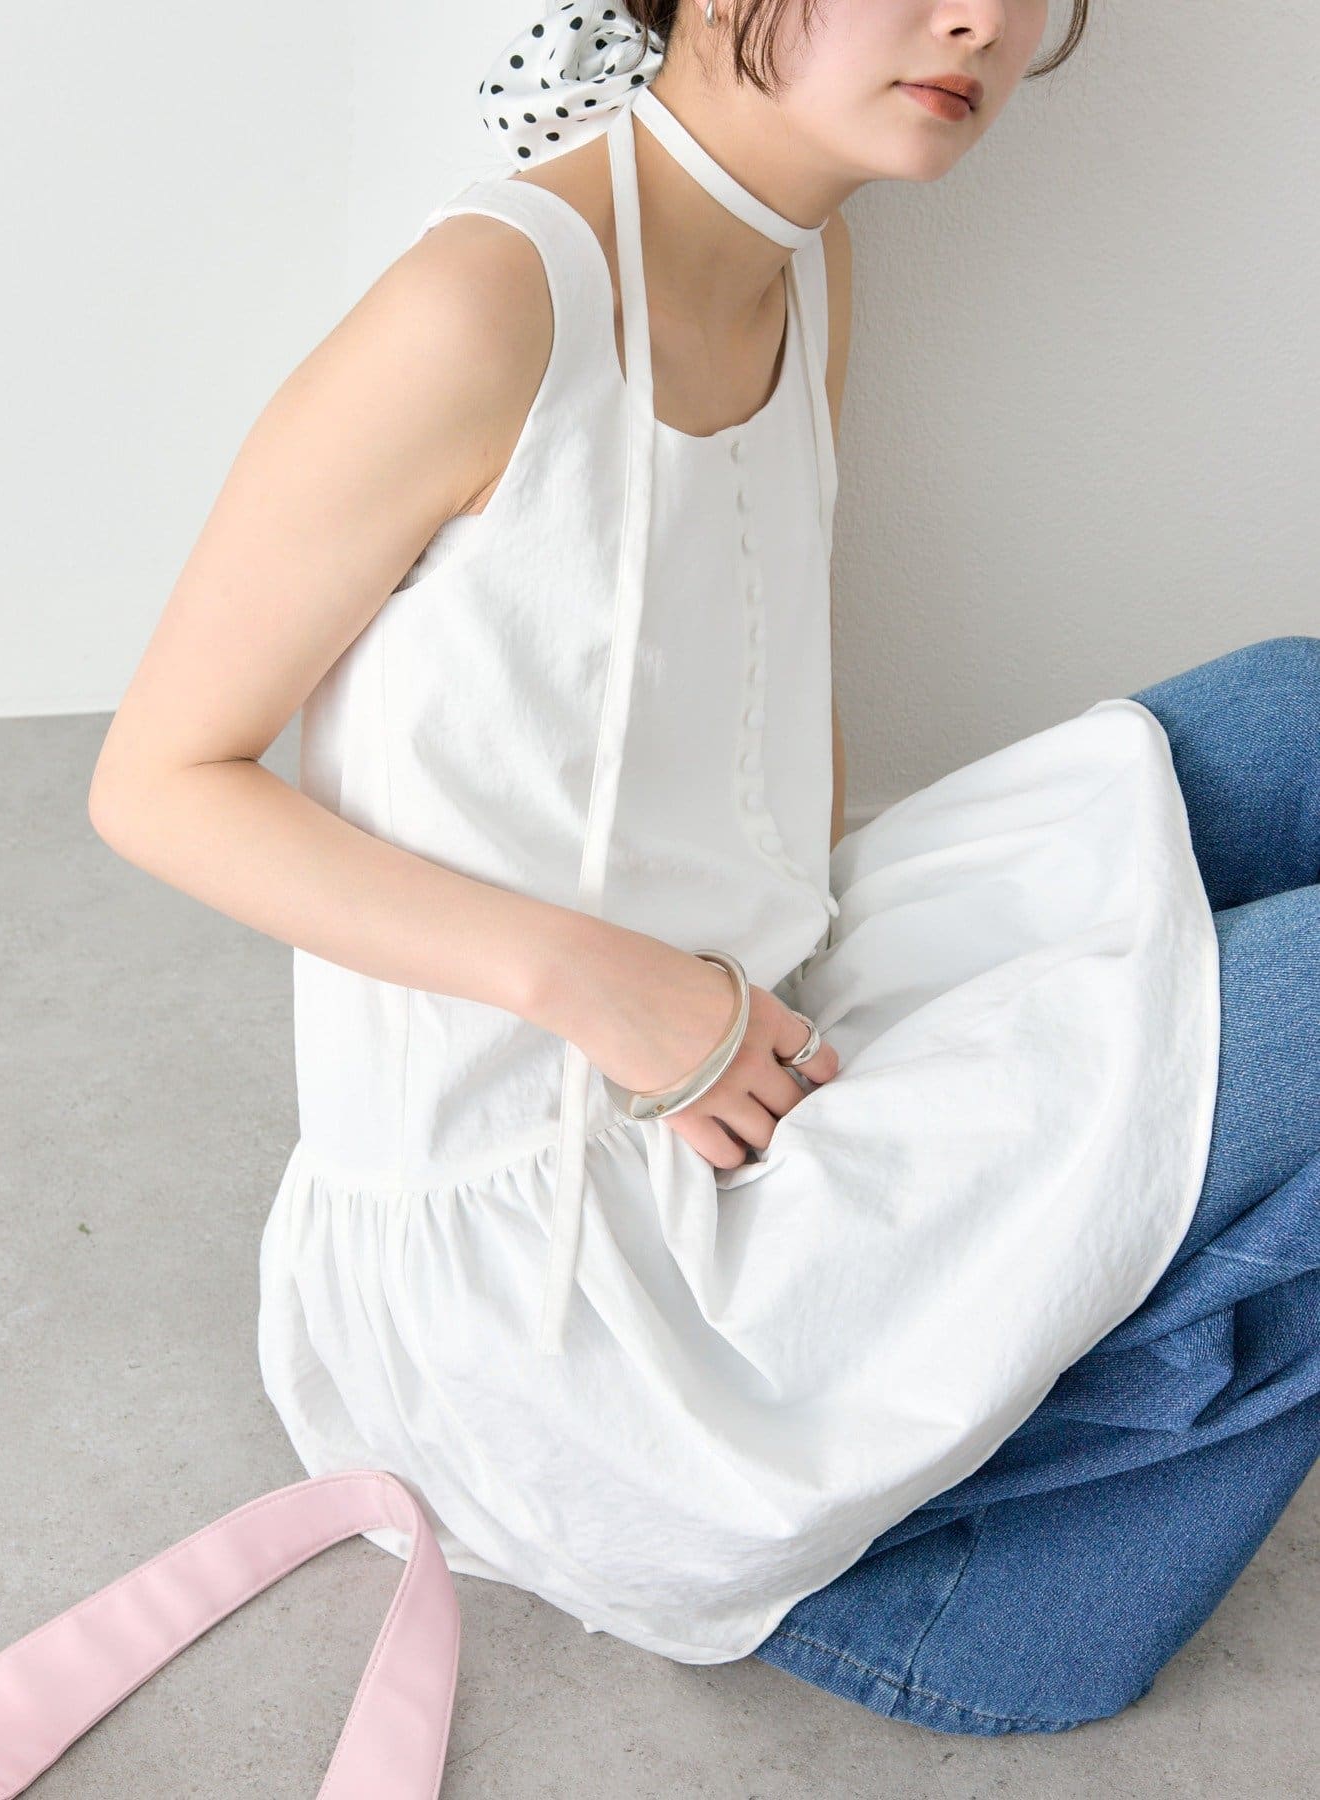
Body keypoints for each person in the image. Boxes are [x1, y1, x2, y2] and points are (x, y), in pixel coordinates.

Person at [87, 0, 1320, 1739]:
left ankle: (980, 1388)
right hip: (559, 1291)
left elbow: (754, 693)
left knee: (1295, 720)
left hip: (753, 1033)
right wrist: (609, 990)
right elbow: (156, 783)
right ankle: (963, 1595)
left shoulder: (803, 263)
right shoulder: (481, 304)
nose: (981, 21)